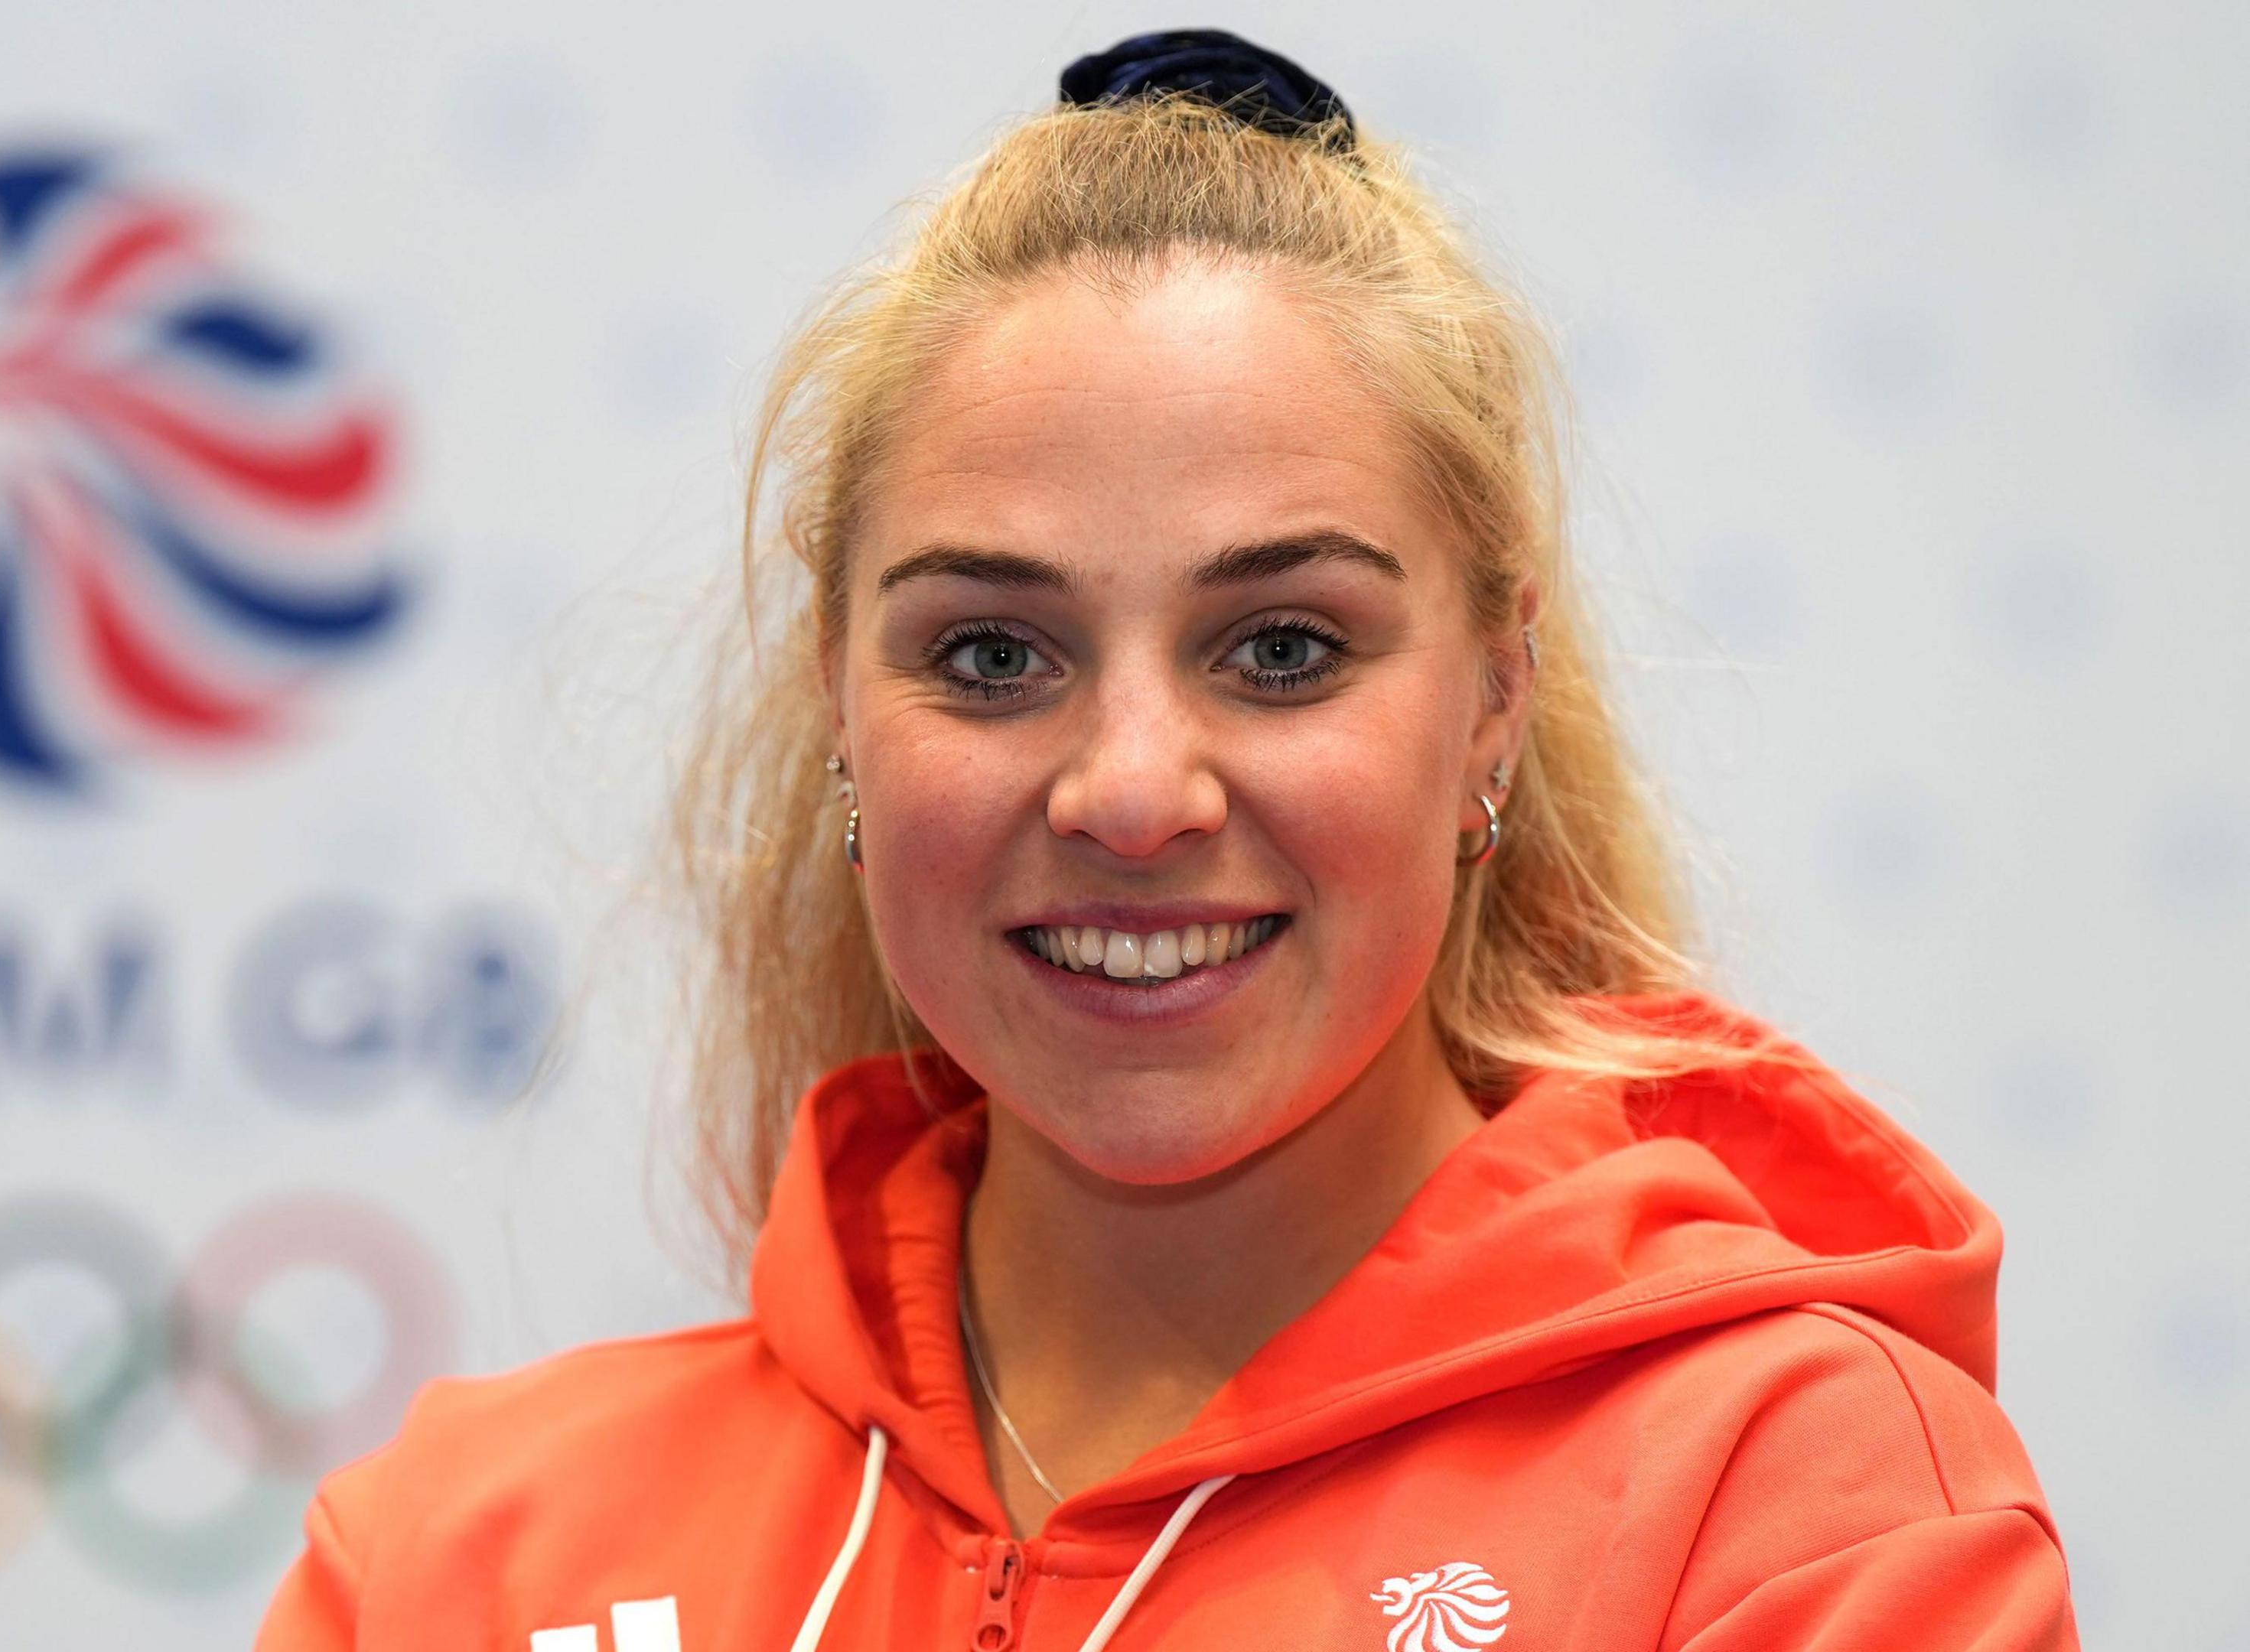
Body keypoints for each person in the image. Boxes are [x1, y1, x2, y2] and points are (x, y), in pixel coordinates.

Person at [254, 30, 2079, 1651]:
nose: (1131, 793)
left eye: (1281, 650)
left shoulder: (1790, 1512)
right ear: (840, 707)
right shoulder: (454, 1564)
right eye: (992, 653)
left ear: (1493, 704)